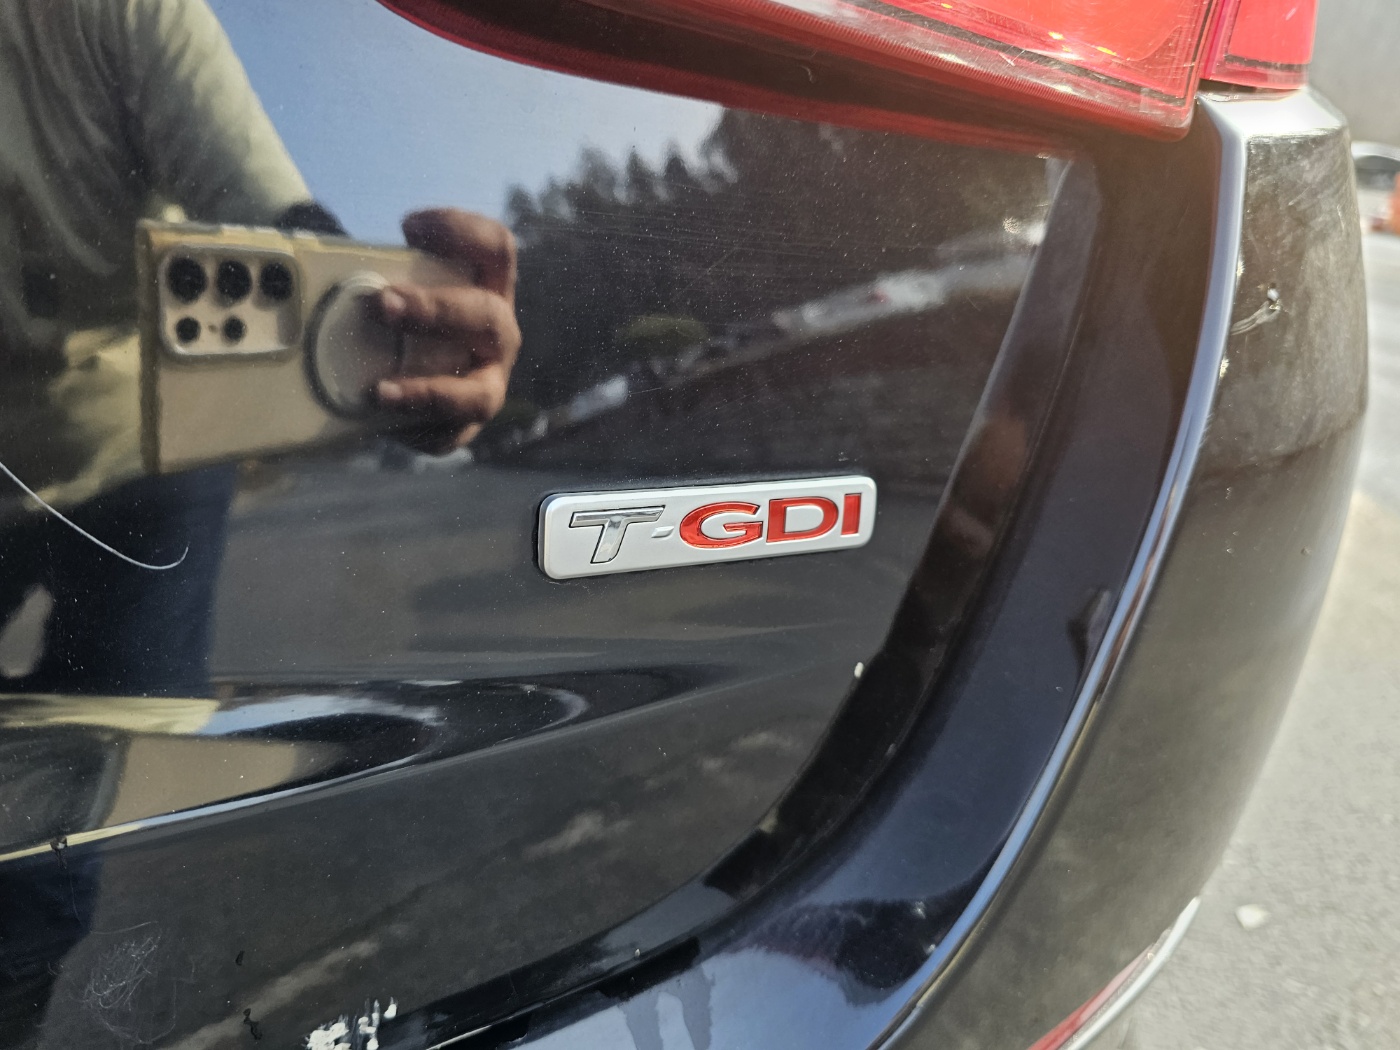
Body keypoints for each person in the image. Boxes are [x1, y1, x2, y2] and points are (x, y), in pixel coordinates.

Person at [0, 0, 520, 696]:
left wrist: (400, 338)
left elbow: (276, 222)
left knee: (136, 731)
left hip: (147, 450)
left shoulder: (122, 11)